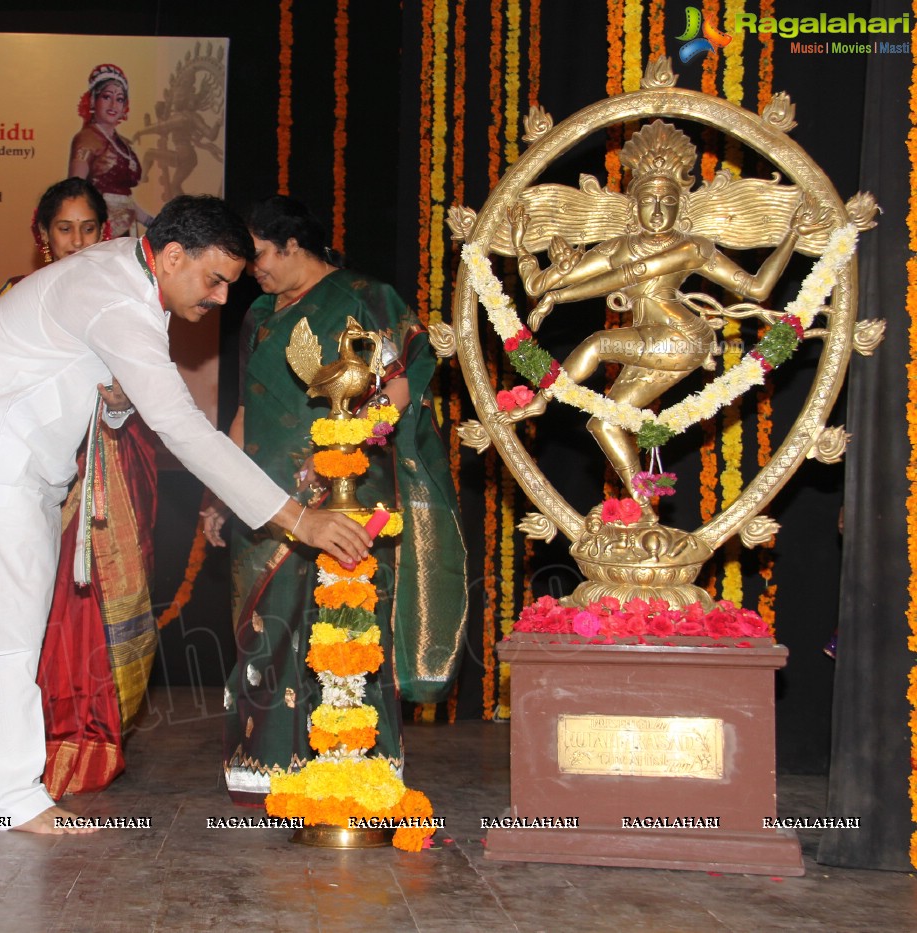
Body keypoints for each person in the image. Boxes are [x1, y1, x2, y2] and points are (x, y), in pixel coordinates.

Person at [0, 195, 371, 835]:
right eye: (213, 279)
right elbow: (182, 427)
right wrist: (299, 518)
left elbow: (104, 388)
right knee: (6, 635)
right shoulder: (117, 297)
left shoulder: (124, 271)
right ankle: (13, 799)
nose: (218, 298)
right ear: (174, 255)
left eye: (229, 286)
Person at [201, 196, 467, 804]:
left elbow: (404, 377)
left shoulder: (368, 299)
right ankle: (266, 768)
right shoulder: (259, 317)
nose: (253, 271)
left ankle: (353, 764)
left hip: (347, 490)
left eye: (261, 255)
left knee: (342, 625)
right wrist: (221, 494)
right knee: (265, 632)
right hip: (267, 503)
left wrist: (356, 437)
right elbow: (245, 410)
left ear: (295, 245)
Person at [504, 119, 823, 516]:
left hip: (684, 336)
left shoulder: (692, 248)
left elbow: (756, 289)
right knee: (604, 423)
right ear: (634, 207)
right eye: (648, 201)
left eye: (667, 200)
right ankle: (644, 508)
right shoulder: (619, 246)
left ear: (680, 205)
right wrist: (524, 249)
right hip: (650, 342)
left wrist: (792, 235)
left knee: (598, 344)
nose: (657, 210)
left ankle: (539, 400)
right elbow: (537, 284)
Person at [21, 178, 163, 796]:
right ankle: (26, 744)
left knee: (87, 613)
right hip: (30, 483)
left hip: (105, 482)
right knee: (29, 615)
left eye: (88, 228)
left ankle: (88, 738)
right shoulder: (19, 301)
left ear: (105, 233)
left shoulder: (124, 303)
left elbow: (152, 393)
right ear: (41, 237)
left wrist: (120, 402)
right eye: (63, 229)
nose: (76, 241)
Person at [69, 64, 153, 237]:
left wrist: (150, 221)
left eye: (120, 99)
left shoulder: (122, 144)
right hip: (100, 232)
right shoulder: (86, 139)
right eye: (107, 97)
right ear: (93, 100)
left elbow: (123, 201)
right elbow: (75, 192)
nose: (114, 104)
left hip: (126, 234)